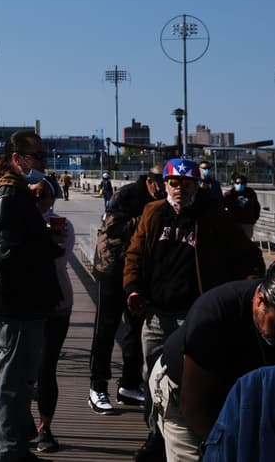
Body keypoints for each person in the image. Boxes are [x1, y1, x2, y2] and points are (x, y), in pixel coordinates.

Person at [124, 158, 264, 462]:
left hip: (193, 317)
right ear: (164, 184)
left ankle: (194, 436)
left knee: (191, 381)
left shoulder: (213, 217)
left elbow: (250, 257)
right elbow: (134, 254)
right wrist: (133, 288)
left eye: (187, 183)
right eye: (174, 183)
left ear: (197, 186)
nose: (180, 189)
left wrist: (247, 294)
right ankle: (156, 437)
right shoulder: (152, 213)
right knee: (152, 380)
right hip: (156, 314)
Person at [151, 263, 275, 462]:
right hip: (185, 392)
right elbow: (194, 407)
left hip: (247, 395)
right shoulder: (213, 314)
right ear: (260, 301)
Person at [0, 130, 64, 462]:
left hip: (23, 305)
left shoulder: (14, 193)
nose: (43, 162)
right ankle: (9, 452)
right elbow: (9, 255)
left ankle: (15, 447)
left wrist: (45, 238)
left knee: (21, 381)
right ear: (17, 159)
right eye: (38, 156)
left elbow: (15, 244)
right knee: (14, 384)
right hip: (17, 306)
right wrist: (44, 247)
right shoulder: (9, 196)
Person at [89, 166, 165, 414]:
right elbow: (113, 227)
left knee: (135, 328)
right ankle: (97, 387)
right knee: (106, 327)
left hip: (139, 271)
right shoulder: (128, 194)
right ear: (149, 181)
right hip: (112, 267)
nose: (162, 189)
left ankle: (129, 385)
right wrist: (147, 219)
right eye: (159, 183)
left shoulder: (165, 200)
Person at [28, 174, 73, 454]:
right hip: (24, 305)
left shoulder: (62, 224)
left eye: (42, 195)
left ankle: (45, 427)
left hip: (56, 305)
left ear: (52, 198)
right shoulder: (17, 221)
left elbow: (57, 260)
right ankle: (23, 423)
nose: (37, 199)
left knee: (46, 367)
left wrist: (39, 241)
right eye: (32, 194)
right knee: (23, 369)